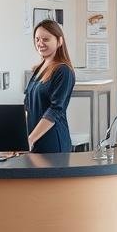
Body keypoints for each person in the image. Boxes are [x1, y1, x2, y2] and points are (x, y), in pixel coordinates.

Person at [24, 19, 76, 153]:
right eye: (37, 39)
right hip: (34, 139)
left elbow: (55, 110)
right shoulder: (38, 69)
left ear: (59, 41)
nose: (40, 43)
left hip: (53, 141)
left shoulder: (63, 71)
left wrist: (30, 139)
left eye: (46, 39)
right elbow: (27, 106)